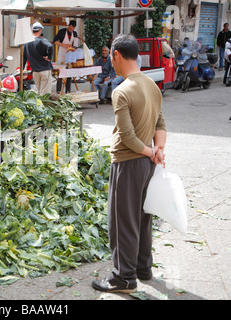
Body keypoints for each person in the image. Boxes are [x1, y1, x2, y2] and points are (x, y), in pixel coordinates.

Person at [91, 34, 167, 294]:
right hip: (148, 165)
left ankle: (124, 278)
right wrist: (158, 151)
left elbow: (127, 136)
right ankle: (143, 268)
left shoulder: (121, 90)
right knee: (143, 217)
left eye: (112, 57)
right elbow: (160, 123)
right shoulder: (152, 86)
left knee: (123, 221)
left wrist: (148, 151)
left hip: (128, 162)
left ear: (116, 55)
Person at [23, 22, 54, 95]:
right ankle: (43, 106)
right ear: (40, 30)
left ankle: (40, 105)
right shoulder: (41, 40)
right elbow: (50, 46)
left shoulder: (27, 43)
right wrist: (49, 57)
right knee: (45, 94)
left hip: (35, 71)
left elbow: (24, 57)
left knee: (40, 92)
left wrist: (22, 68)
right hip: (45, 70)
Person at [53, 20, 78, 93]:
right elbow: (55, 41)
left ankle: (68, 91)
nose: (71, 30)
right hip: (62, 53)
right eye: (70, 28)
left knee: (69, 72)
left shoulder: (75, 33)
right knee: (61, 72)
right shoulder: (62, 31)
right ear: (68, 25)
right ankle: (58, 90)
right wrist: (64, 45)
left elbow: (76, 44)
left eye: (72, 29)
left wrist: (74, 48)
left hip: (70, 55)